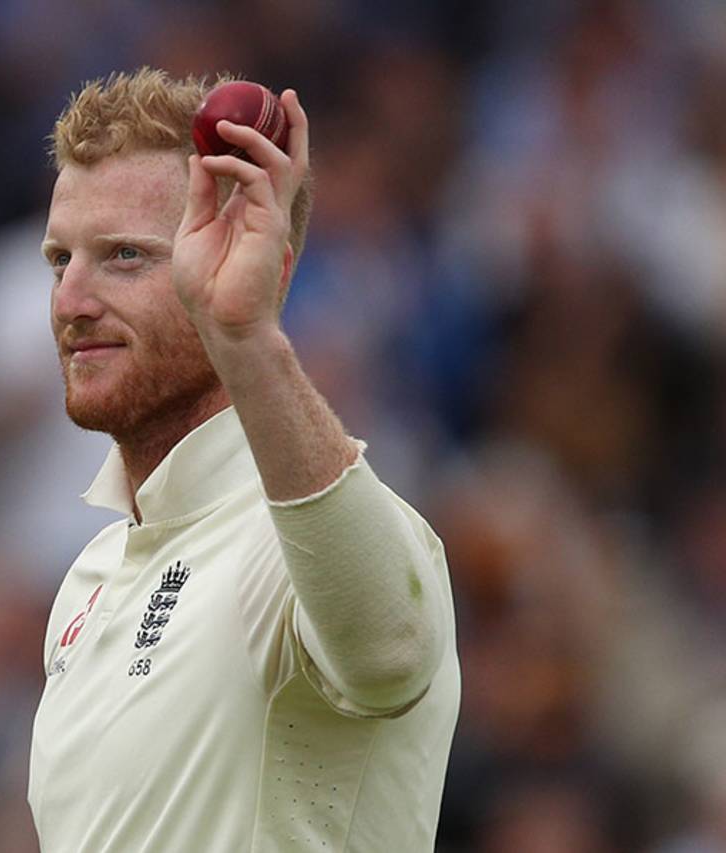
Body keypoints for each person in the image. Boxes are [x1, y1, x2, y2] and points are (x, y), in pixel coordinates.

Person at [27, 68, 461, 852]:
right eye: (62, 259)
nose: (71, 301)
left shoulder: (301, 548)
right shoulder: (89, 579)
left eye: (125, 255)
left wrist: (247, 339)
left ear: (268, 268)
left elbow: (393, 648)